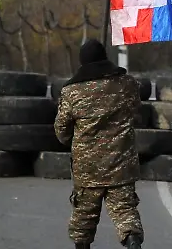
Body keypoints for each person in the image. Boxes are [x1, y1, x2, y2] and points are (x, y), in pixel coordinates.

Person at [53, 39, 144, 249]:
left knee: (83, 220)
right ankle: (131, 241)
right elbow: (136, 113)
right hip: (122, 164)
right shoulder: (127, 84)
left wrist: (71, 140)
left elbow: (61, 130)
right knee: (125, 213)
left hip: (88, 169)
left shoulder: (71, 92)